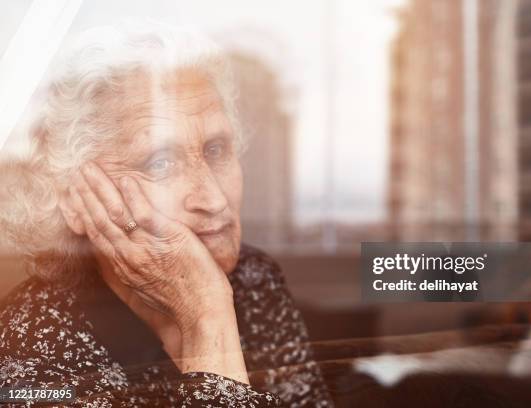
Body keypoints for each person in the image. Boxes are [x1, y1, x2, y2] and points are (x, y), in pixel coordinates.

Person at [0, 21, 333, 407]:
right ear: (74, 198)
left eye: (215, 150)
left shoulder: (255, 281)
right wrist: (207, 319)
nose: (213, 199)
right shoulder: (28, 356)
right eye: (159, 163)